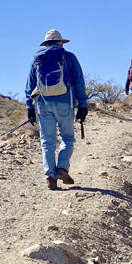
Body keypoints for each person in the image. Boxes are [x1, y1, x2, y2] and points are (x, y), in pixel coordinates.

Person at [26, 29, 88, 190]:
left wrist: (30, 109)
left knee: (47, 141)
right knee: (67, 138)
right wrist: (82, 105)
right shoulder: (69, 57)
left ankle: (50, 176)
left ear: (46, 44)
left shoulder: (38, 59)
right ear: (61, 42)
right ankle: (62, 168)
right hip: (65, 103)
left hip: (43, 104)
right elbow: (79, 82)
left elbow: (30, 85)